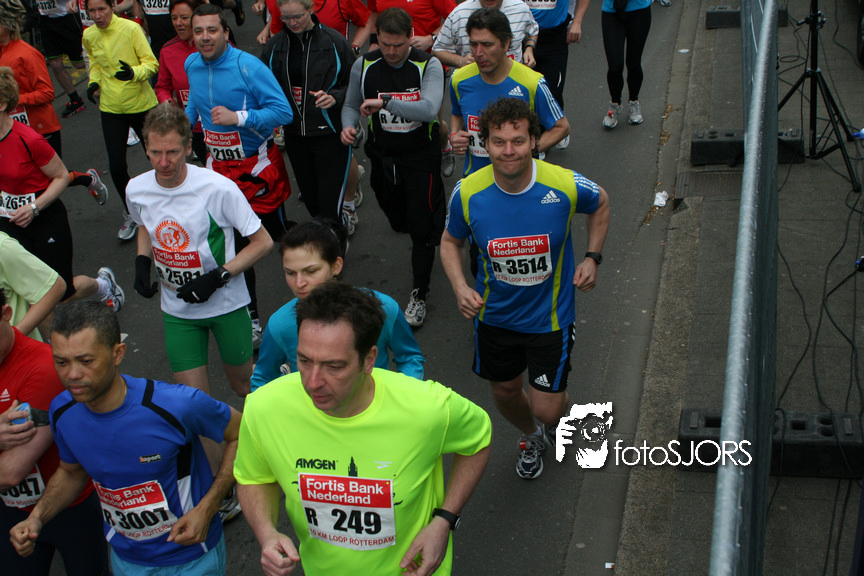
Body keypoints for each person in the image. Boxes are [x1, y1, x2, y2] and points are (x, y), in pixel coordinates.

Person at [235, 281, 492, 575]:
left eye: (334, 366)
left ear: (369, 360)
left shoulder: (427, 407)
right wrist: (266, 533)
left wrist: (444, 520)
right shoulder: (264, 408)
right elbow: (253, 477)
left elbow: (478, 440)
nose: (313, 382)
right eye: (304, 361)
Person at [441, 98, 609, 480]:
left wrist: (592, 258)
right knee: (505, 391)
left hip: (550, 318)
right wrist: (459, 286)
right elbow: (450, 242)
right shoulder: (468, 192)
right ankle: (532, 436)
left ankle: (553, 411)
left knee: (548, 408)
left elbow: (601, 202)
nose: (508, 151)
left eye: (517, 141)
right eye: (498, 142)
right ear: (485, 144)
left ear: (534, 141)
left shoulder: (563, 184)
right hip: (495, 317)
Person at [9, 300, 243, 574]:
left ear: (118, 353)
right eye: (61, 362)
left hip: (191, 559)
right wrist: (37, 517)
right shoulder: (62, 411)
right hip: (125, 561)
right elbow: (72, 472)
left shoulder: (175, 405)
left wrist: (209, 507)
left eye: (86, 361)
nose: (72, 374)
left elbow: (242, 433)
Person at [128, 102, 273, 398]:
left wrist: (218, 277)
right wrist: (142, 261)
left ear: (188, 147)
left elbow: (263, 242)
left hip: (226, 305)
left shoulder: (217, 188)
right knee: (194, 402)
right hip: (178, 309)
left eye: (172, 152)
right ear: (146, 148)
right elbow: (143, 223)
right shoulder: (136, 189)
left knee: (244, 388)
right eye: (155, 152)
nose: (163, 162)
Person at [185, 2, 293, 346]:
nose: (205, 37)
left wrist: (239, 118)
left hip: (255, 168)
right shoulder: (191, 64)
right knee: (233, 246)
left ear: (226, 32)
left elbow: (283, 112)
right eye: (198, 31)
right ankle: (252, 318)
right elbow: (194, 104)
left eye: (212, 30)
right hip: (218, 169)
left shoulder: (248, 66)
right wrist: (184, 130)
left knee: (275, 238)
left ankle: (310, 283)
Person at [340, 7, 445, 328]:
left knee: (421, 228)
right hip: (383, 155)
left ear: (411, 37)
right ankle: (428, 215)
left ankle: (419, 293)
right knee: (397, 219)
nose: (391, 51)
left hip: (420, 156)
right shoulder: (365, 64)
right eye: (385, 44)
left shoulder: (428, 64)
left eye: (398, 45)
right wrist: (349, 127)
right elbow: (350, 103)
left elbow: (429, 109)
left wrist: (386, 102)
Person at [0, 289, 110, 576]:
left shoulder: (42, 367)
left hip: (70, 507)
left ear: (6, 314)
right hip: (10, 510)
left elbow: (10, 472)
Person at [0, 67, 126, 313]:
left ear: (3, 104)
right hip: (9, 220)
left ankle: (103, 285)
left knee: (61, 292)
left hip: (44, 216)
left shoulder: (29, 139)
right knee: (26, 289)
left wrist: (34, 207)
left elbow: (60, 176)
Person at [251, 219, 424, 391]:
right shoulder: (279, 324)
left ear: (336, 266)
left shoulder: (383, 308)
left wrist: (404, 396)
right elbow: (262, 379)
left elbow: (410, 358)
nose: (299, 283)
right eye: (290, 273)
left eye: (311, 271)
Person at [0, 0, 110, 203]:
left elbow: (47, 93)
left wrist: (13, 100)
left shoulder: (27, 54)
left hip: (41, 128)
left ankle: (87, 179)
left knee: (50, 179)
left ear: (6, 24)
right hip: (12, 129)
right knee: (23, 178)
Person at [261, 0, 354, 226]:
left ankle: (336, 240)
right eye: (286, 18)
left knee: (329, 208)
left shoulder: (334, 41)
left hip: (330, 133)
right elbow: (262, 87)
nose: (292, 23)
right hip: (295, 135)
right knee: (312, 202)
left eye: (298, 16)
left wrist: (335, 97)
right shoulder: (274, 46)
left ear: (310, 9)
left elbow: (355, 83)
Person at [449, 8, 569, 177]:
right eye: (474, 44)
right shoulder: (459, 79)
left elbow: (561, 127)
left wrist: (527, 150)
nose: (478, 53)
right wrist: (454, 134)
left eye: (487, 45)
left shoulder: (531, 83)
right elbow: (457, 113)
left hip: (520, 181)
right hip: (477, 180)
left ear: (506, 44)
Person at [83, 0, 159, 241]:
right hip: (111, 108)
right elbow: (95, 64)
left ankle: (169, 201)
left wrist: (134, 73)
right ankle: (132, 213)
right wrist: (93, 83)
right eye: (92, 11)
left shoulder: (131, 29)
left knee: (158, 158)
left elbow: (152, 64)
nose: (97, 15)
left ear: (112, 8)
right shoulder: (89, 35)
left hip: (142, 105)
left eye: (102, 9)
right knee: (116, 167)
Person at [524, 0, 588, 146]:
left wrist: (577, 22)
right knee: (527, 91)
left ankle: (556, 124)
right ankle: (538, 136)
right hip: (524, 36)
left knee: (552, 90)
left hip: (554, 37)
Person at [154, 0, 207, 161]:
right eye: (174, 18)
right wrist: (166, 100)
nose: (178, 23)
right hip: (193, 126)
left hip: (222, 125)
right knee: (208, 168)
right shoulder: (167, 51)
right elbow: (162, 87)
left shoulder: (213, 45)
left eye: (184, 17)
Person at [432, 0, 538, 69]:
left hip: (513, 84)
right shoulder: (459, 14)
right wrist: (460, 61)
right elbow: (437, 50)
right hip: (474, 85)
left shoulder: (521, 9)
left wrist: (529, 49)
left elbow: (532, 31)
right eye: (474, 44)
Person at [0, 232, 66, 341]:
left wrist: (14, 338)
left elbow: (55, 287)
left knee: (71, 294)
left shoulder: (3, 247)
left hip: (14, 349)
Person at [601, 0, 651, 128]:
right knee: (615, 65)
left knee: (634, 62)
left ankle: (634, 101)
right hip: (611, 11)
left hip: (639, 9)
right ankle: (614, 104)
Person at [34, 0, 88, 118]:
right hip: (46, 20)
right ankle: (75, 99)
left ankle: (107, 77)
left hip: (67, 18)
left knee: (79, 64)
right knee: (55, 63)